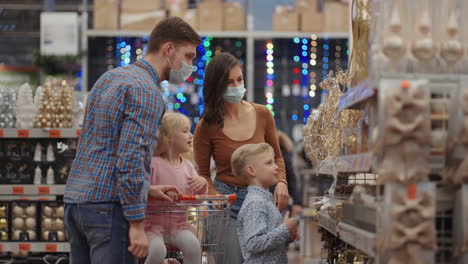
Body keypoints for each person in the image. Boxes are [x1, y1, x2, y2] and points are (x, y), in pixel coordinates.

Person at [63, 17, 202, 264]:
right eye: (189, 56)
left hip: (76, 204)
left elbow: (99, 148)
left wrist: (148, 190)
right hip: (110, 212)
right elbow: (131, 159)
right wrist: (137, 224)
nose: (191, 65)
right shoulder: (148, 93)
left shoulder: (108, 79)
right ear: (168, 49)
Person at [193, 52, 289, 263]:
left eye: (239, 79)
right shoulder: (206, 126)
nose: (236, 86)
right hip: (227, 204)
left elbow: (278, 158)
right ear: (216, 86)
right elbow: (202, 173)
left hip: (261, 200)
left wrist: (281, 182)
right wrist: (214, 195)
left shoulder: (263, 114)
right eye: (229, 82)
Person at [144, 113, 208, 264]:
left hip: (179, 225)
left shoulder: (188, 166)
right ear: (169, 136)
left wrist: (202, 184)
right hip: (150, 225)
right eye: (185, 131)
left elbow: (197, 202)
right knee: (157, 250)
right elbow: (141, 188)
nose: (191, 135)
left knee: (193, 245)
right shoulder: (153, 163)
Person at [232, 143, 300, 263]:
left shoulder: (265, 199)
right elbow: (254, 243)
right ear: (251, 170)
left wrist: (288, 235)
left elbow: (270, 242)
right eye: (269, 163)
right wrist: (284, 229)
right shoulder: (255, 203)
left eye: (274, 162)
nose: (276, 167)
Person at [277, 131, 303, 216]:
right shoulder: (284, 155)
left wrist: (297, 202)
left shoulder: (283, 157)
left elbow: (291, 179)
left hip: (278, 200)